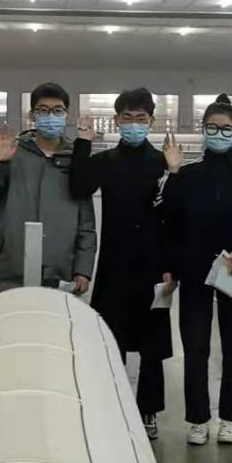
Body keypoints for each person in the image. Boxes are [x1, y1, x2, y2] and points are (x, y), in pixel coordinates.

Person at [70, 88, 172, 440]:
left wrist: (171, 266)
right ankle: (111, 403)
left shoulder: (162, 162)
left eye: (140, 118)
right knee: (110, 338)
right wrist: (83, 142)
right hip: (114, 264)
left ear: (151, 121)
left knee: (152, 344)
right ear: (116, 121)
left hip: (154, 265)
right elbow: (78, 185)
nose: (133, 124)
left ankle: (148, 410)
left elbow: (173, 215)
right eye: (126, 118)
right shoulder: (106, 161)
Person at [163, 94, 232, 446]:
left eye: (226, 129)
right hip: (194, 270)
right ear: (203, 129)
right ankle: (198, 419)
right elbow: (170, 220)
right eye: (212, 127)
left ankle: (229, 418)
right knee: (195, 346)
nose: (219, 134)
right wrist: (173, 172)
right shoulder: (187, 174)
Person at [0, 82, 96, 294]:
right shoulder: (13, 153)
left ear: (67, 116)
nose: (50, 116)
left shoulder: (76, 159)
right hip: (12, 268)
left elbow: (86, 221)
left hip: (59, 271)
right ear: (32, 115)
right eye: (43, 110)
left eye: (57, 110)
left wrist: (83, 269)